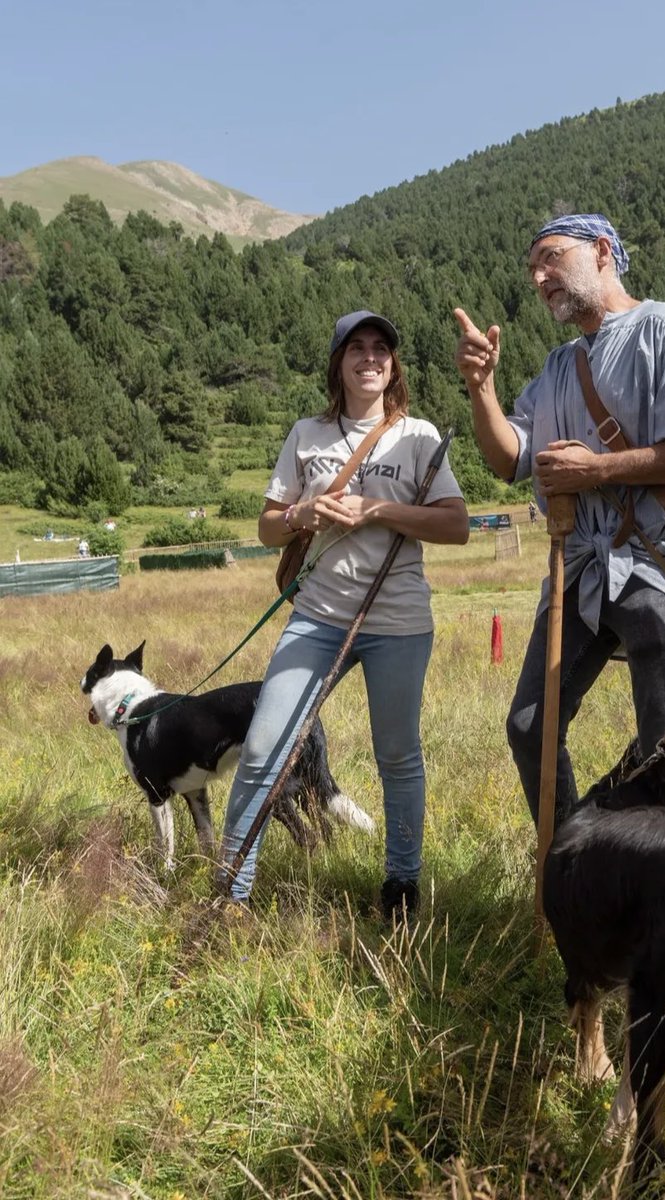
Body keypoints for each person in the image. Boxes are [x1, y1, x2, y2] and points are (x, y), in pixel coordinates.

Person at [454, 214, 665, 825]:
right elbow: (511, 458)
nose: (538, 276)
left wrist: (598, 471)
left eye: (551, 258)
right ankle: (577, 867)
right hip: (578, 572)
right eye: (533, 267)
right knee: (530, 727)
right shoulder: (559, 367)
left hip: (652, 564)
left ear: (602, 251)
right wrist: (482, 387)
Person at [217, 310, 468, 919]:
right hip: (318, 617)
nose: (370, 358)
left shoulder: (419, 435)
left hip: (398, 621)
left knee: (398, 756)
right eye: (357, 348)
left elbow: (455, 525)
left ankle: (401, 886)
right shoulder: (307, 434)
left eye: (382, 348)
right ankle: (231, 893)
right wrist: (304, 514)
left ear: (393, 365)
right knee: (262, 747)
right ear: (339, 363)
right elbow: (269, 527)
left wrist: (377, 510)